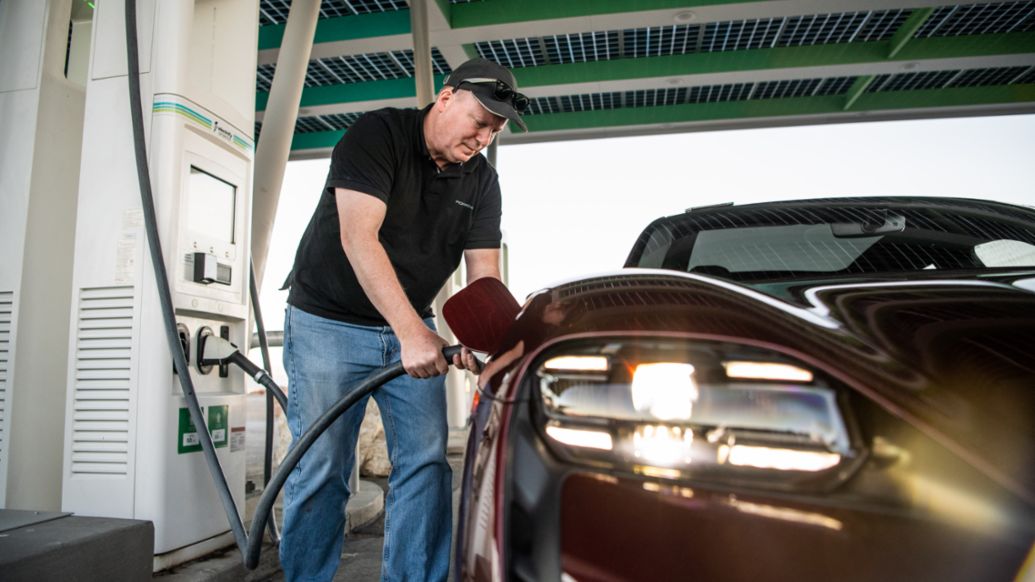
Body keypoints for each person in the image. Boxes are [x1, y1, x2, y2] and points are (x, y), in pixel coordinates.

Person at [278, 58, 528, 581]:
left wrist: (496, 348)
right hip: (328, 322)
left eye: (495, 129)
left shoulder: (481, 182)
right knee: (322, 469)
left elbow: (484, 278)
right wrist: (412, 333)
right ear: (446, 96)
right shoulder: (379, 134)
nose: (484, 136)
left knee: (426, 464)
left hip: (411, 326)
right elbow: (358, 238)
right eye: (480, 119)